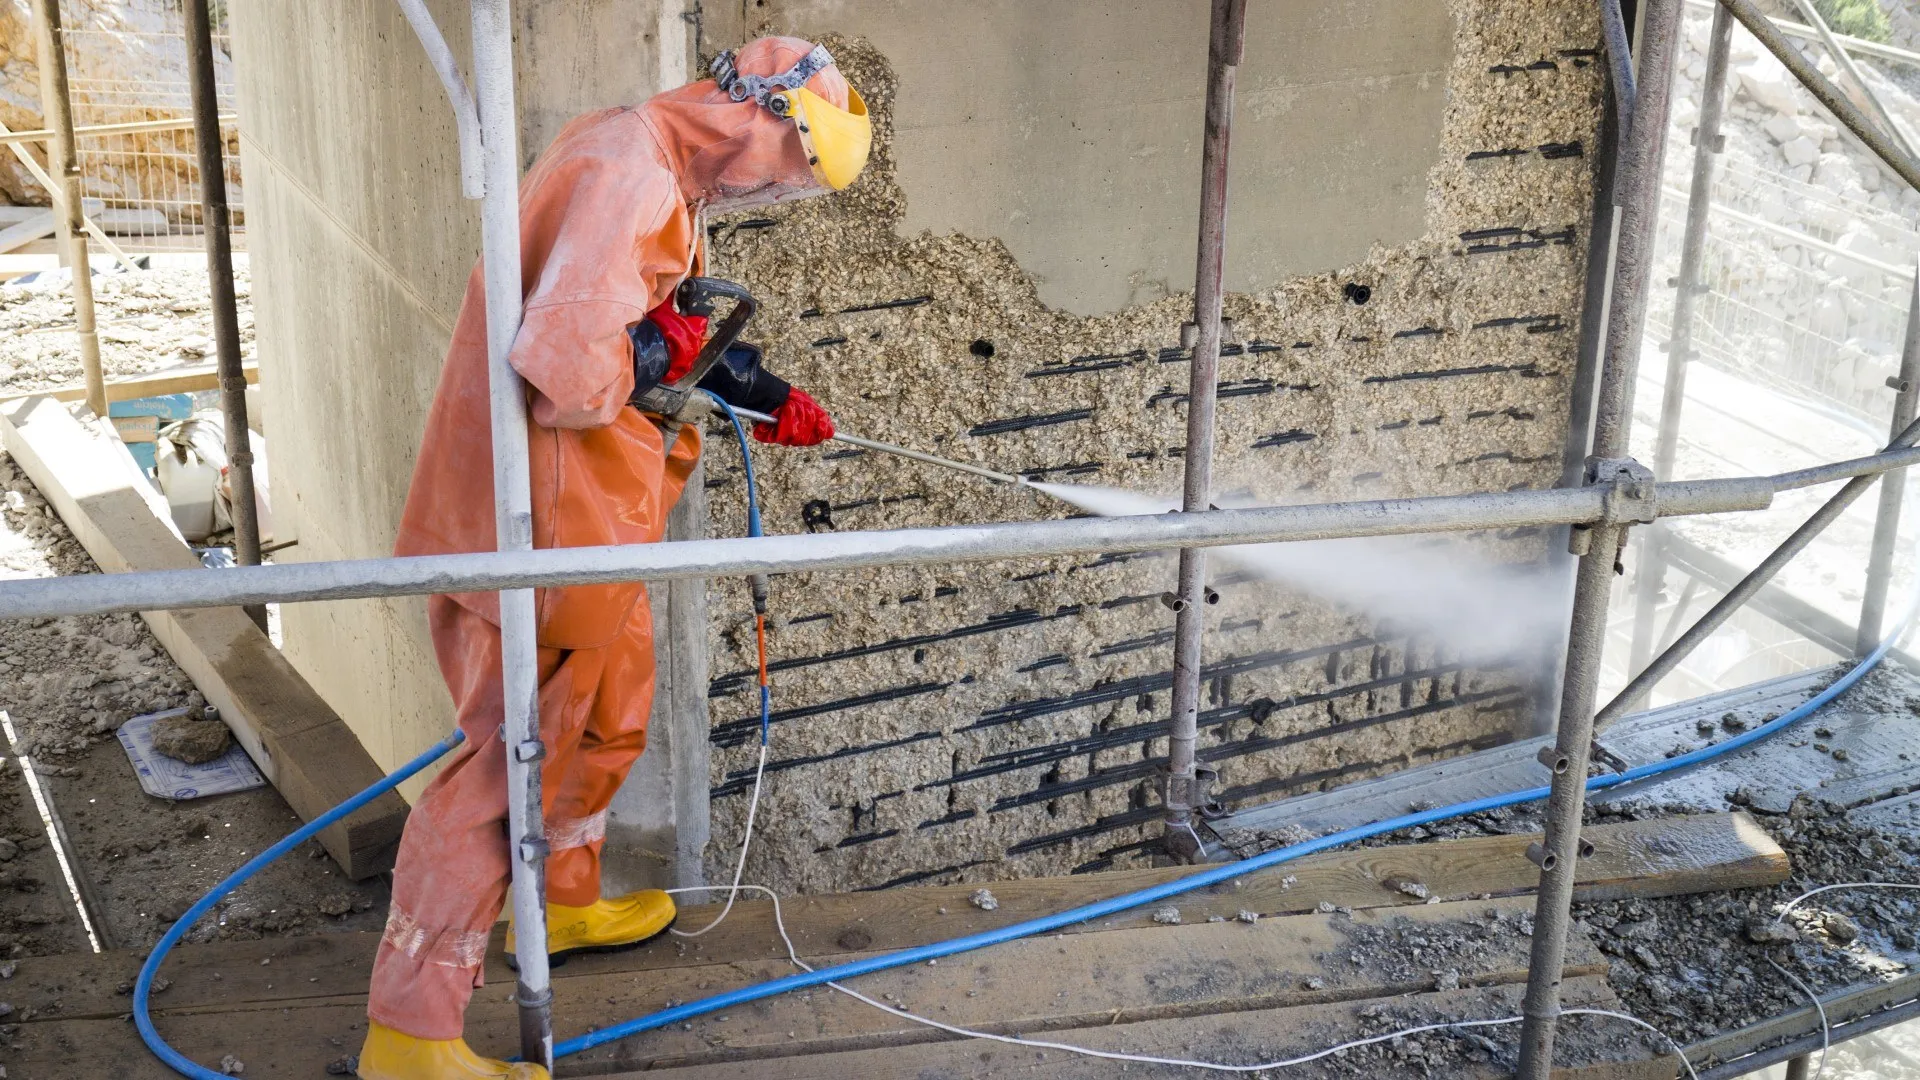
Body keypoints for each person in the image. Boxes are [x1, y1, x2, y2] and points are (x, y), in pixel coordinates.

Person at [355, 36, 870, 1079]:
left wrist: (744, 386)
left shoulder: (653, 171)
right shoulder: (628, 173)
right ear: (758, 109)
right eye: (794, 161)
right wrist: (657, 354)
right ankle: (410, 1033)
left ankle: (560, 901)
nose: (780, 189)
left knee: (610, 702)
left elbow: (639, 322)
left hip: (587, 509)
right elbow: (569, 373)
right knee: (508, 762)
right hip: (532, 519)